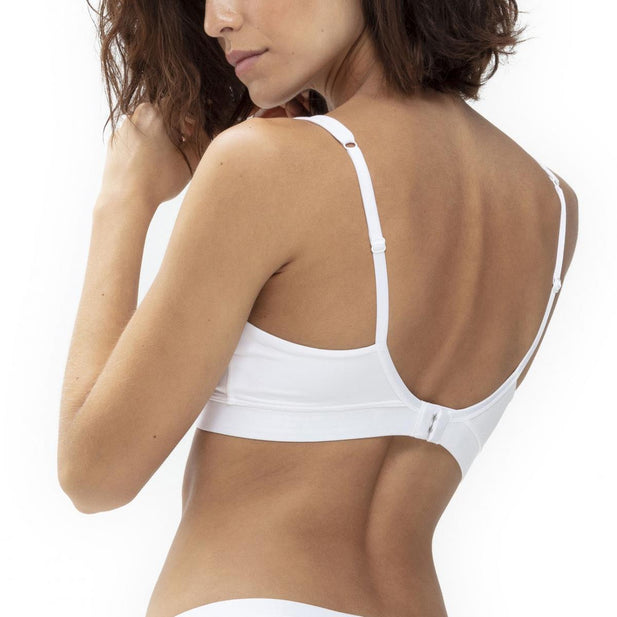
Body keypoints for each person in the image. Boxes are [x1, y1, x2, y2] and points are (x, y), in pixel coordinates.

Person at [59, 1, 578, 617]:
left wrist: (125, 197)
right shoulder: (551, 205)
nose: (215, 20)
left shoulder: (262, 164)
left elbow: (95, 474)